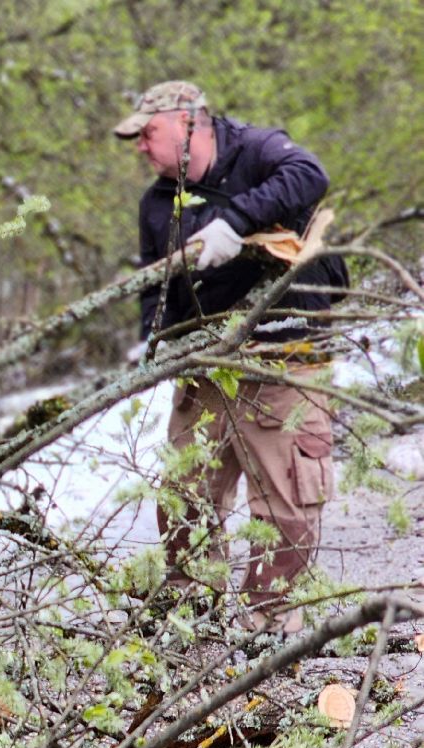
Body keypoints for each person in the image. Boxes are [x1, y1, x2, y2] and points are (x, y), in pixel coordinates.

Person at [117, 81, 349, 633]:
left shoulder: (259, 149)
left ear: (187, 122)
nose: (141, 148)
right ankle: (192, 607)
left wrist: (235, 221)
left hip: (283, 353)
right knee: (184, 491)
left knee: (285, 499)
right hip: (206, 363)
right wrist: (158, 343)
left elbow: (310, 176)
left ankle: (270, 623)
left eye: (148, 133)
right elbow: (158, 288)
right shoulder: (157, 203)